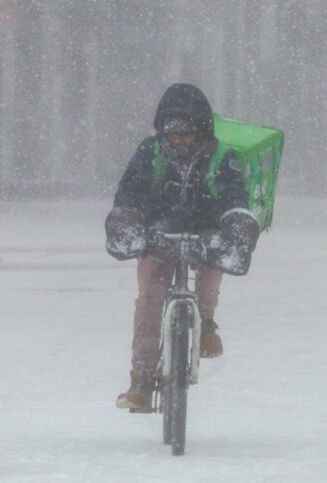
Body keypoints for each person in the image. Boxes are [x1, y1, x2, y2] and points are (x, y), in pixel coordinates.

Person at [105, 83, 259, 410]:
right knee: (149, 297)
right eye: (173, 135)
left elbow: (235, 196)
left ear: (202, 132)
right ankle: (142, 377)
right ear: (162, 133)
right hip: (159, 233)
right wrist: (129, 220)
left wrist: (234, 223)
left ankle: (206, 320)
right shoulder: (150, 153)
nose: (180, 141)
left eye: (187, 135)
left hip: (206, 230)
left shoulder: (221, 158)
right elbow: (130, 192)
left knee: (211, 268)